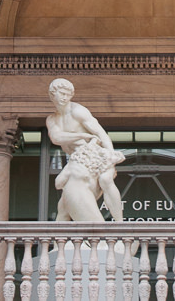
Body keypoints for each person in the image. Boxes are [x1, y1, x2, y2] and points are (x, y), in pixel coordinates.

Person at [46, 78, 125, 222]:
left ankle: (120, 223)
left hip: (96, 153)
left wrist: (110, 155)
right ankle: (59, 242)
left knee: (105, 179)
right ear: (53, 94)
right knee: (64, 203)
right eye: (61, 93)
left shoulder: (78, 111)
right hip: (78, 158)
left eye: (68, 94)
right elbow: (56, 138)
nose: (64, 97)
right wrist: (81, 135)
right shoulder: (52, 119)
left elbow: (101, 134)